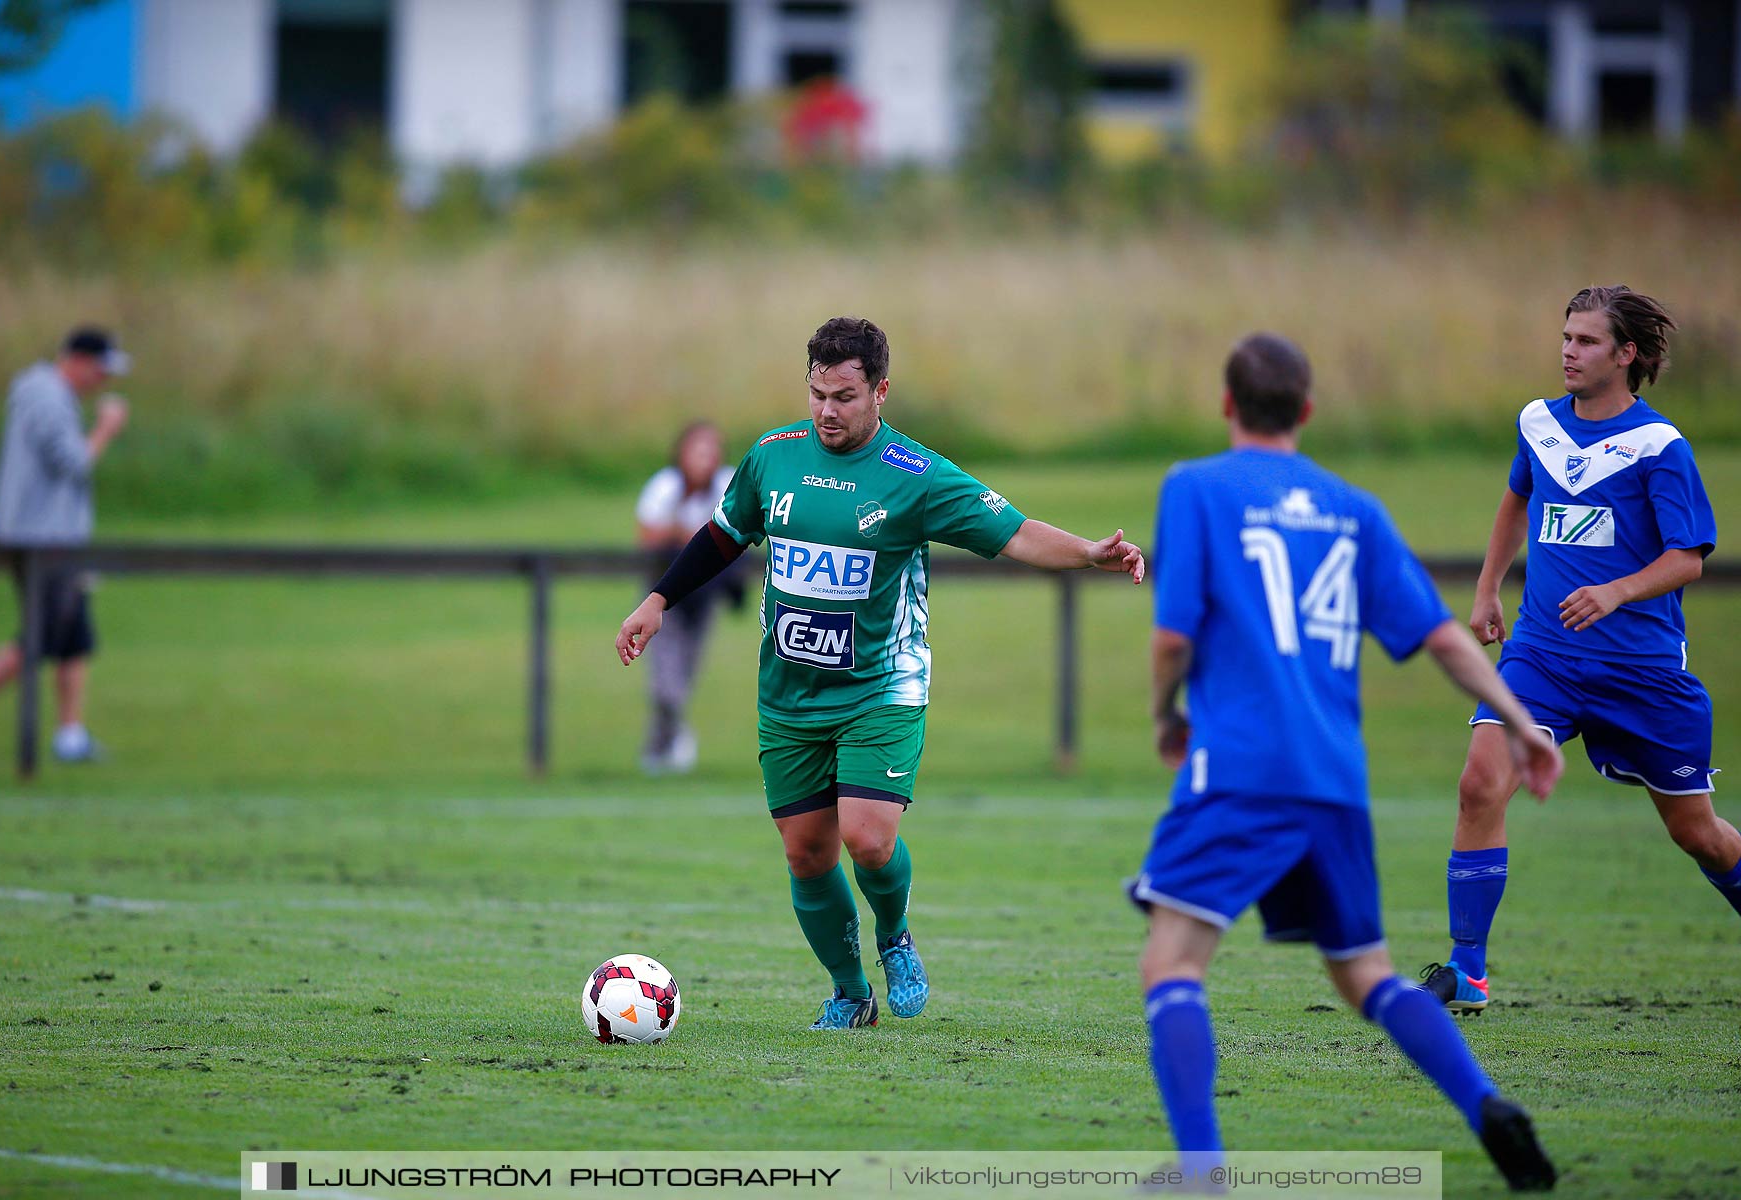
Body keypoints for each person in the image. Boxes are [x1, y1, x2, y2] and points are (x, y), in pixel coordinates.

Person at [616, 317, 1144, 1030]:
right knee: (807, 854)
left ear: (880, 392)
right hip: (789, 694)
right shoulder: (773, 457)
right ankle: (849, 991)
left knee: (868, 839)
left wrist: (1086, 552)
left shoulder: (916, 476)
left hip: (881, 688)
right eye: (816, 395)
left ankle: (894, 935)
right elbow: (720, 535)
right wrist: (656, 600)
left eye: (843, 396)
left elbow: (1013, 530)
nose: (827, 411)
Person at [1132, 333, 1562, 1190]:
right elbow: (1441, 634)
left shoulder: (1195, 488)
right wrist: (1518, 720)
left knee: (1171, 964)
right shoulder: (1353, 508)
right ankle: (1484, 1105)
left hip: (1241, 771)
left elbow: (1173, 635)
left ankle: (1200, 1167)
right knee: (1367, 974)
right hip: (1333, 782)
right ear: (1308, 411)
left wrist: (1165, 714)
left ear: (1226, 405)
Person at [1422, 287, 1734, 1015]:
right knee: (1479, 783)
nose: (1569, 350)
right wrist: (1489, 589)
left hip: (1642, 670)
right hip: (1543, 655)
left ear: (1627, 355)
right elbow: (1516, 499)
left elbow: (1689, 557)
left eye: (1587, 341)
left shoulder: (1660, 446)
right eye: (1565, 336)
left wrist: (1618, 592)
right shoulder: (1539, 424)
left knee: (1700, 836)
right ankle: (1468, 972)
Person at [0, 327, 131, 766]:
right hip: (42, 539)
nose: (102, 381)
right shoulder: (47, 397)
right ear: (80, 361)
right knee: (44, 631)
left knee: (74, 633)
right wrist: (105, 429)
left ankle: (70, 735)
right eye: (101, 371)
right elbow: (73, 462)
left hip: (54, 535)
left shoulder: (45, 393)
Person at [634, 421, 742, 773]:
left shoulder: (727, 484)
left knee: (686, 671)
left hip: (703, 593)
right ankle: (670, 739)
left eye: (711, 451)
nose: (705, 459)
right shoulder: (665, 487)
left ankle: (661, 745)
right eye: (697, 450)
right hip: (664, 593)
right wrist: (686, 536)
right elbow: (649, 537)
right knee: (667, 680)